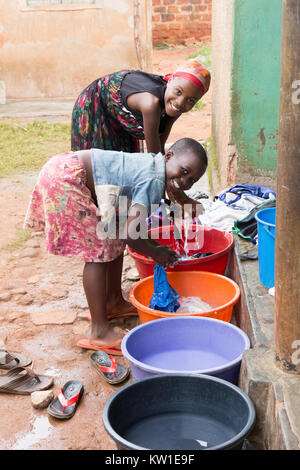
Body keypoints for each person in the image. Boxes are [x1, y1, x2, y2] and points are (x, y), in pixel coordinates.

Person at [24, 138, 208, 354]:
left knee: (113, 238)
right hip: (67, 179)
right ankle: (99, 332)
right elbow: (132, 233)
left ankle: (113, 302)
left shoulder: (154, 166)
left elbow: (128, 229)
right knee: (98, 253)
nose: (185, 181)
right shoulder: (154, 180)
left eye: (192, 180)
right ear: (168, 157)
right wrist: (155, 251)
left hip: (64, 169)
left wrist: (151, 243)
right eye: (184, 171)